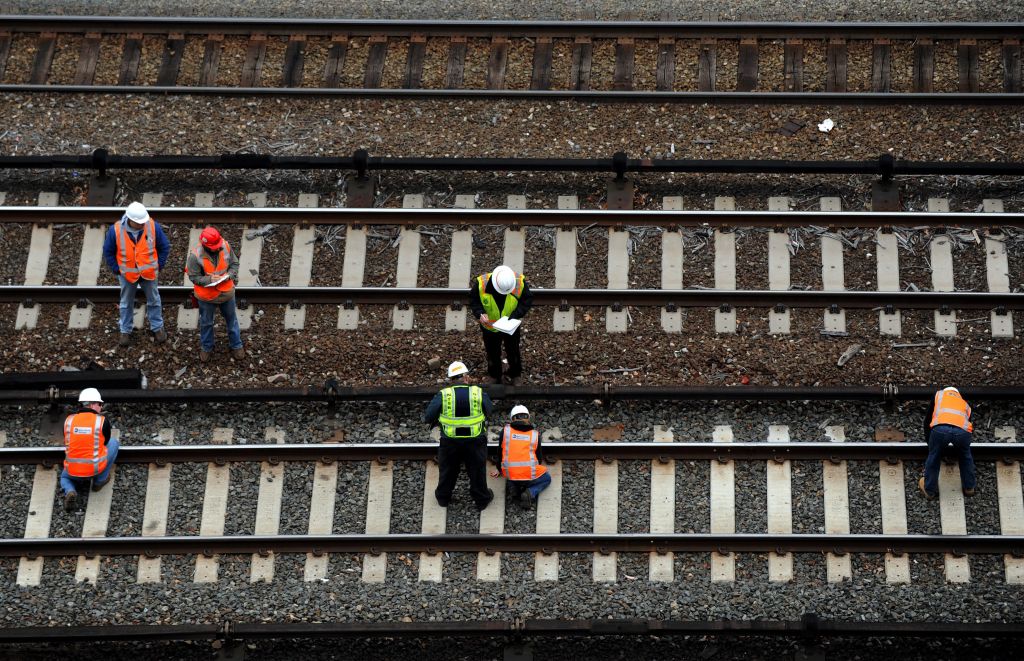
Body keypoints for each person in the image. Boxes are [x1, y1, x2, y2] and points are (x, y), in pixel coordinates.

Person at [423, 360, 494, 511]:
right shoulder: (477, 392)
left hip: (450, 441)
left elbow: (428, 417)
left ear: (451, 380)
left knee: (448, 470)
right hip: (475, 440)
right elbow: (489, 410)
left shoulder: (444, 394)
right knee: (477, 471)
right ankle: (481, 500)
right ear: (466, 377)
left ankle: (443, 498)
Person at [102, 201, 170, 346]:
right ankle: (125, 331)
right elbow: (108, 251)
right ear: (130, 220)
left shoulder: (152, 226)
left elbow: (164, 246)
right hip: (127, 275)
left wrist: (159, 265)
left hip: (149, 273)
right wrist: (117, 269)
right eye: (139, 222)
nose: (142, 224)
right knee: (126, 303)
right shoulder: (115, 230)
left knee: (154, 300)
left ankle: (157, 327)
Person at [186, 226, 244, 363]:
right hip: (206, 297)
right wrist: (209, 280)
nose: (218, 248)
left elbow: (234, 264)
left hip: (226, 293)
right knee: (206, 323)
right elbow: (193, 277)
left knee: (232, 320)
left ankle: (236, 345)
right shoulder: (195, 257)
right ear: (206, 245)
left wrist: (229, 275)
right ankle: (206, 347)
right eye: (214, 247)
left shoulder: (225, 246)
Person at [469, 265, 533, 386]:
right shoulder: (481, 283)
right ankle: (494, 375)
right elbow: (474, 301)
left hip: (510, 326)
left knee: (513, 350)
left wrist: (515, 315)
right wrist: (480, 313)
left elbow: (527, 301)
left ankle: (515, 374)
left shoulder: (519, 282)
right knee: (492, 351)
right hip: (490, 326)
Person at [61, 388, 119, 512]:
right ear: (92, 404)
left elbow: (66, 440)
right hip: (95, 470)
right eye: (100, 404)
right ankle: (99, 481)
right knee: (114, 443)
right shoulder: (102, 421)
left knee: (64, 478)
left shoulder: (69, 420)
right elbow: (105, 442)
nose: (101, 407)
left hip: (73, 471)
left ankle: (70, 491)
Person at [919, 386, 976, 500]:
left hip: (940, 429)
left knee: (934, 456)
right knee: (965, 456)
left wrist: (930, 443)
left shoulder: (939, 395)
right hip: (962, 432)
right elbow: (969, 423)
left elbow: (927, 421)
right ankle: (969, 488)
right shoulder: (964, 403)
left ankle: (929, 490)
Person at [490, 405, 550, 510]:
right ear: (528, 418)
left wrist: (499, 469)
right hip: (529, 475)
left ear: (512, 419)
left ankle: (514, 487)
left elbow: (500, 453)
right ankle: (530, 492)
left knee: (513, 474)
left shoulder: (505, 432)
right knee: (547, 479)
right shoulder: (535, 435)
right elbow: (539, 459)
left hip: (509, 474)